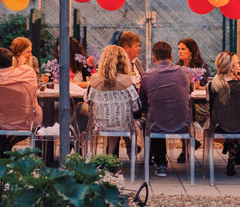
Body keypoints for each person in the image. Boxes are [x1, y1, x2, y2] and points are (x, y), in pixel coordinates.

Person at [137, 41, 192, 177]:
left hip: (156, 124)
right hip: (183, 123)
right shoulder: (185, 72)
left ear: (153, 58)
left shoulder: (147, 76)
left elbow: (142, 103)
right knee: (158, 114)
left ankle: (160, 163)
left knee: (154, 115)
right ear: (171, 57)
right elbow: (190, 91)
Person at [0, 47, 42, 159]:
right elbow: (24, 70)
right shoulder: (28, 73)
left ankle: (3, 150)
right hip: (28, 122)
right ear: (12, 61)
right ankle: (41, 157)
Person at [86, 45, 141, 157]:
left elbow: (88, 100)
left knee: (113, 119)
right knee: (118, 119)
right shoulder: (127, 80)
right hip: (122, 124)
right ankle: (127, 146)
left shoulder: (95, 79)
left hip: (100, 123)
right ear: (123, 61)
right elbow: (137, 106)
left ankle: (109, 157)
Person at [208, 51, 240, 176]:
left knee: (229, 118)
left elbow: (210, 103)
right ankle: (232, 157)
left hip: (218, 124)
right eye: (237, 63)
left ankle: (230, 152)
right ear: (231, 68)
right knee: (239, 119)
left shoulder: (212, 85)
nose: (239, 65)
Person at [177, 37, 208, 163]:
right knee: (180, 110)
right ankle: (187, 146)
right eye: (179, 49)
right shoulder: (177, 67)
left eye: (183, 49)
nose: (180, 51)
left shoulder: (202, 67)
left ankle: (186, 147)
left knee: (184, 111)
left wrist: (197, 84)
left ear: (191, 51)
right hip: (182, 101)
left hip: (198, 103)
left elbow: (204, 86)